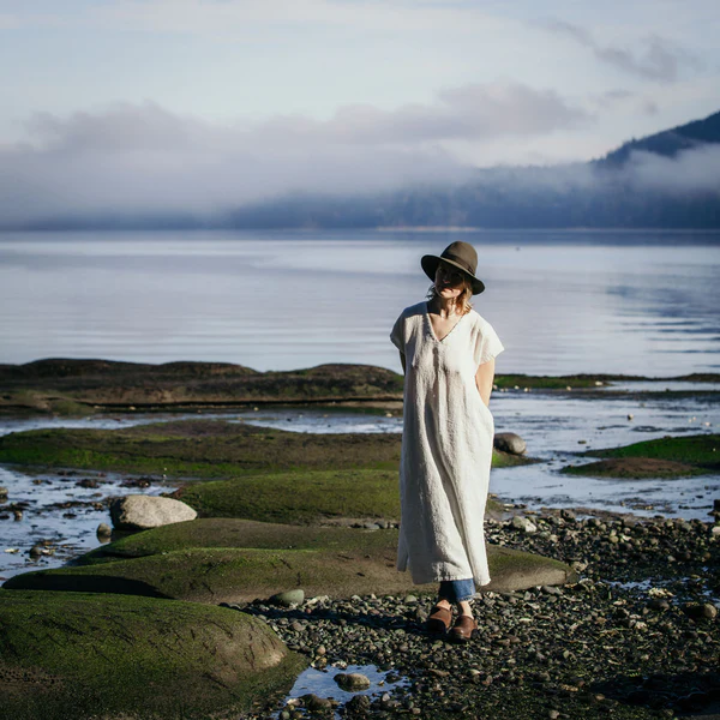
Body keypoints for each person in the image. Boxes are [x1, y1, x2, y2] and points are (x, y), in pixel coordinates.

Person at [390, 240, 504, 643]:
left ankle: (458, 608)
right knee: (432, 514)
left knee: (459, 518)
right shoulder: (409, 323)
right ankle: (452, 607)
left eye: (455, 275)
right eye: (442, 271)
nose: (446, 278)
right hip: (422, 438)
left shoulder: (479, 331)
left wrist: (468, 435)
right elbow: (413, 378)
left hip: (464, 439)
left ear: (467, 284)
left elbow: (482, 396)